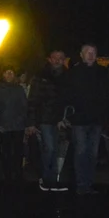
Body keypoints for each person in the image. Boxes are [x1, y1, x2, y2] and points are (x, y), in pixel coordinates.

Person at [62, 44, 109, 195]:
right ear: (81, 54)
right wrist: (66, 115)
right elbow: (66, 95)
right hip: (79, 119)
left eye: (93, 52)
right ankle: (81, 184)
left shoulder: (101, 72)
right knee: (81, 152)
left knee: (92, 154)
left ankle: (88, 183)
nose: (90, 55)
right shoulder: (74, 73)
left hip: (96, 119)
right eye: (88, 52)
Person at [27, 51, 68, 191]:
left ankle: (53, 179)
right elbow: (33, 99)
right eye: (55, 58)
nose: (58, 61)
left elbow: (67, 100)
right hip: (44, 117)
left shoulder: (67, 76)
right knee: (49, 148)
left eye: (61, 58)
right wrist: (32, 122)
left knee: (56, 150)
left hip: (59, 119)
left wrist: (65, 118)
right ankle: (46, 178)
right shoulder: (41, 75)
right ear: (49, 59)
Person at [0, 66, 28, 187]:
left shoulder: (19, 89)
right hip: (4, 125)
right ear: (3, 75)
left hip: (18, 125)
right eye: (7, 73)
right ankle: (7, 174)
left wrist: (23, 121)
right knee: (6, 151)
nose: (9, 75)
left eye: (11, 73)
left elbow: (24, 107)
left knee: (18, 151)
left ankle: (18, 173)